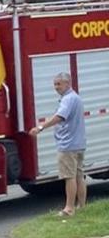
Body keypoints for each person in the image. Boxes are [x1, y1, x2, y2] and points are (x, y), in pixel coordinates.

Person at [30, 72, 87, 217]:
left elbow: (60, 117)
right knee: (79, 176)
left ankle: (69, 209)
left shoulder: (68, 99)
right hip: (79, 143)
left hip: (68, 145)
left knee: (70, 177)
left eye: (59, 84)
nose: (56, 87)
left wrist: (40, 127)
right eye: (55, 84)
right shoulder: (76, 98)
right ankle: (82, 206)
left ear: (67, 83)